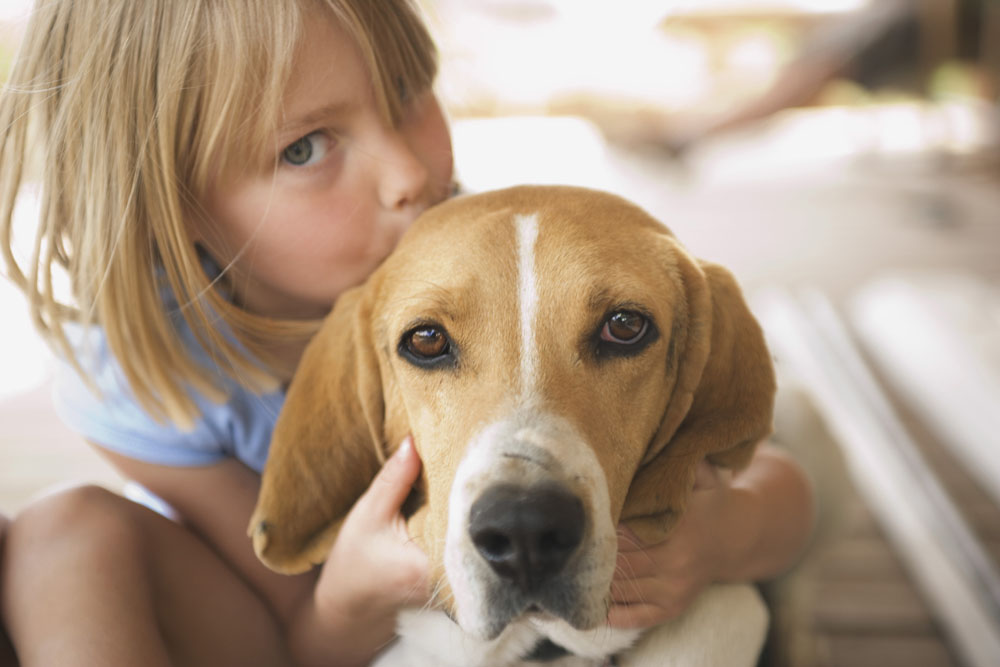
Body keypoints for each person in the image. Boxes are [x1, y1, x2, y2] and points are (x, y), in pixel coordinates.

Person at [0, 1, 816, 665]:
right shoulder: (138, 380)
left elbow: (777, 482)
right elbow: (299, 634)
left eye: (405, 92)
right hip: (295, 613)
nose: (407, 175)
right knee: (59, 532)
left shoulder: (497, 255)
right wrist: (352, 595)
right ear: (175, 207)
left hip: (488, 585)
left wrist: (720, 538)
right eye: (306, 147)